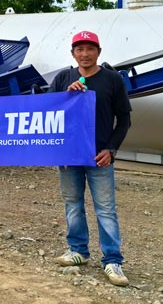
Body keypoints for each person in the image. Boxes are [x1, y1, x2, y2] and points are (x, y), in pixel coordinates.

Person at [49, 30, 132, 286]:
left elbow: (125, 119)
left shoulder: (112, 80)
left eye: (90, 49)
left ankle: (112, 260)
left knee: (105, 210)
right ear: (73, 53)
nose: (85, 54)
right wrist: (66, 95)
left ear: (99, 51)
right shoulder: (64, 77)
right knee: (72, 204)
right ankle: (78, 251)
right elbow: (49, 112)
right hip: (70, 156)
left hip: (99, 158)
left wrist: (111, 150)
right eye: (79, 49)